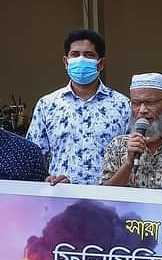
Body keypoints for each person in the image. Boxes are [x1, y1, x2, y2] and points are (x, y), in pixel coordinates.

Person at [26, 29, 130, 185]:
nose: (81, 59)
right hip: (61, 199)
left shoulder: (123, 105)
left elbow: (133, 158)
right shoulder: (47, 105)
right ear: (66, 62)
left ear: (101, 64)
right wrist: (46, 179)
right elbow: (33, 158)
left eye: (88, 55)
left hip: (109, 200)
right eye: (75, 54)